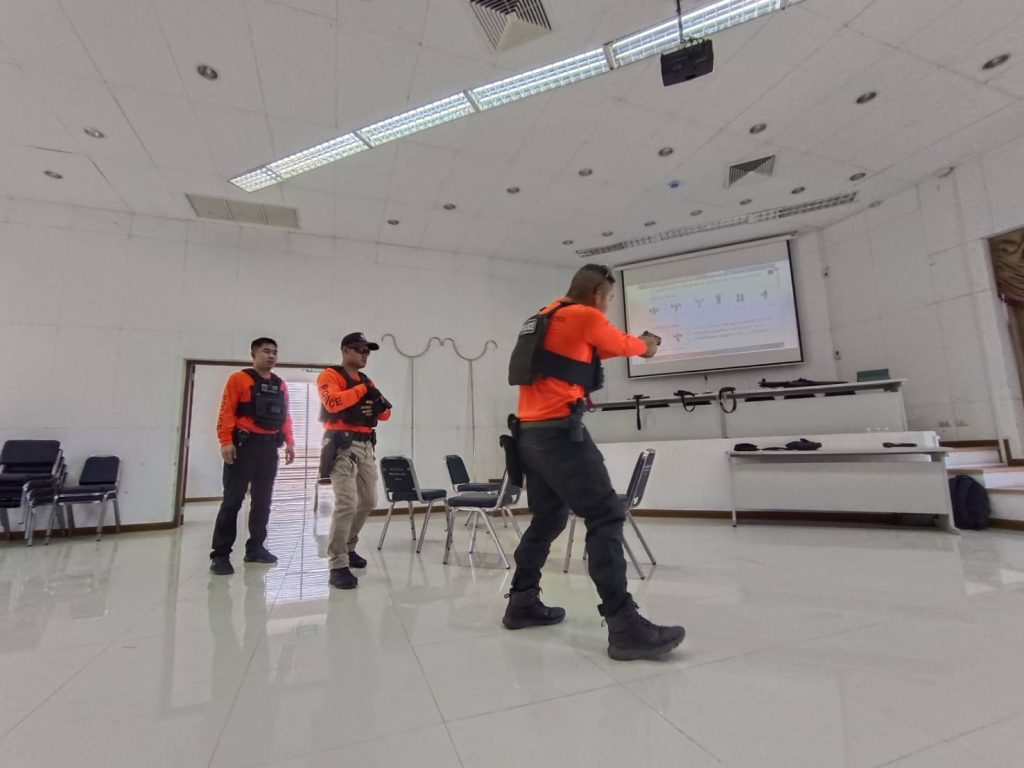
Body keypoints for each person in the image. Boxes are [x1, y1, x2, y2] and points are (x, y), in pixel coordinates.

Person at [503, 264, 685, 661]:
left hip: (529, 437)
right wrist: (647, 346)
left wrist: (633, 343)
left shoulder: (545, 318)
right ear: (599, 295)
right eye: (610, 299)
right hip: (560, 434)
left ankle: (521, 601)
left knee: (548, 518)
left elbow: (601, 348)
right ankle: (625, 626)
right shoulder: (585, 315)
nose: (609, 306)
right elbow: (623, 344)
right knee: (605, 515)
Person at [210, 337, 295, 575]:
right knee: (232, 502)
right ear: (253, 354)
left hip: (269, 449)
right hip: (243, 447)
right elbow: (227, 411)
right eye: (266, 351)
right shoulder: (238, 379)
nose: (271, 356)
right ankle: (220, 555)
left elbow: (285, 416)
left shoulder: (280, 384)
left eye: (274, 352)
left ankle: (256, 548)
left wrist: (290, 442)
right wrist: (225, 441)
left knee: (263, 501)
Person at [317, 332, 392, 590]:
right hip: (342, 447)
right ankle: (338, 564)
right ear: (345, 350)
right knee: (347, 503)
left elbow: (386, 413)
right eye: (360, 349)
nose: (364, 354)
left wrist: (375, 408)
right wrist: (362, 391)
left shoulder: (367, 380)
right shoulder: (330, 376)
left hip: (366, 446)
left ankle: (349, 546)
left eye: (367, 351)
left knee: (369, 500)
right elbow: (333, 403)